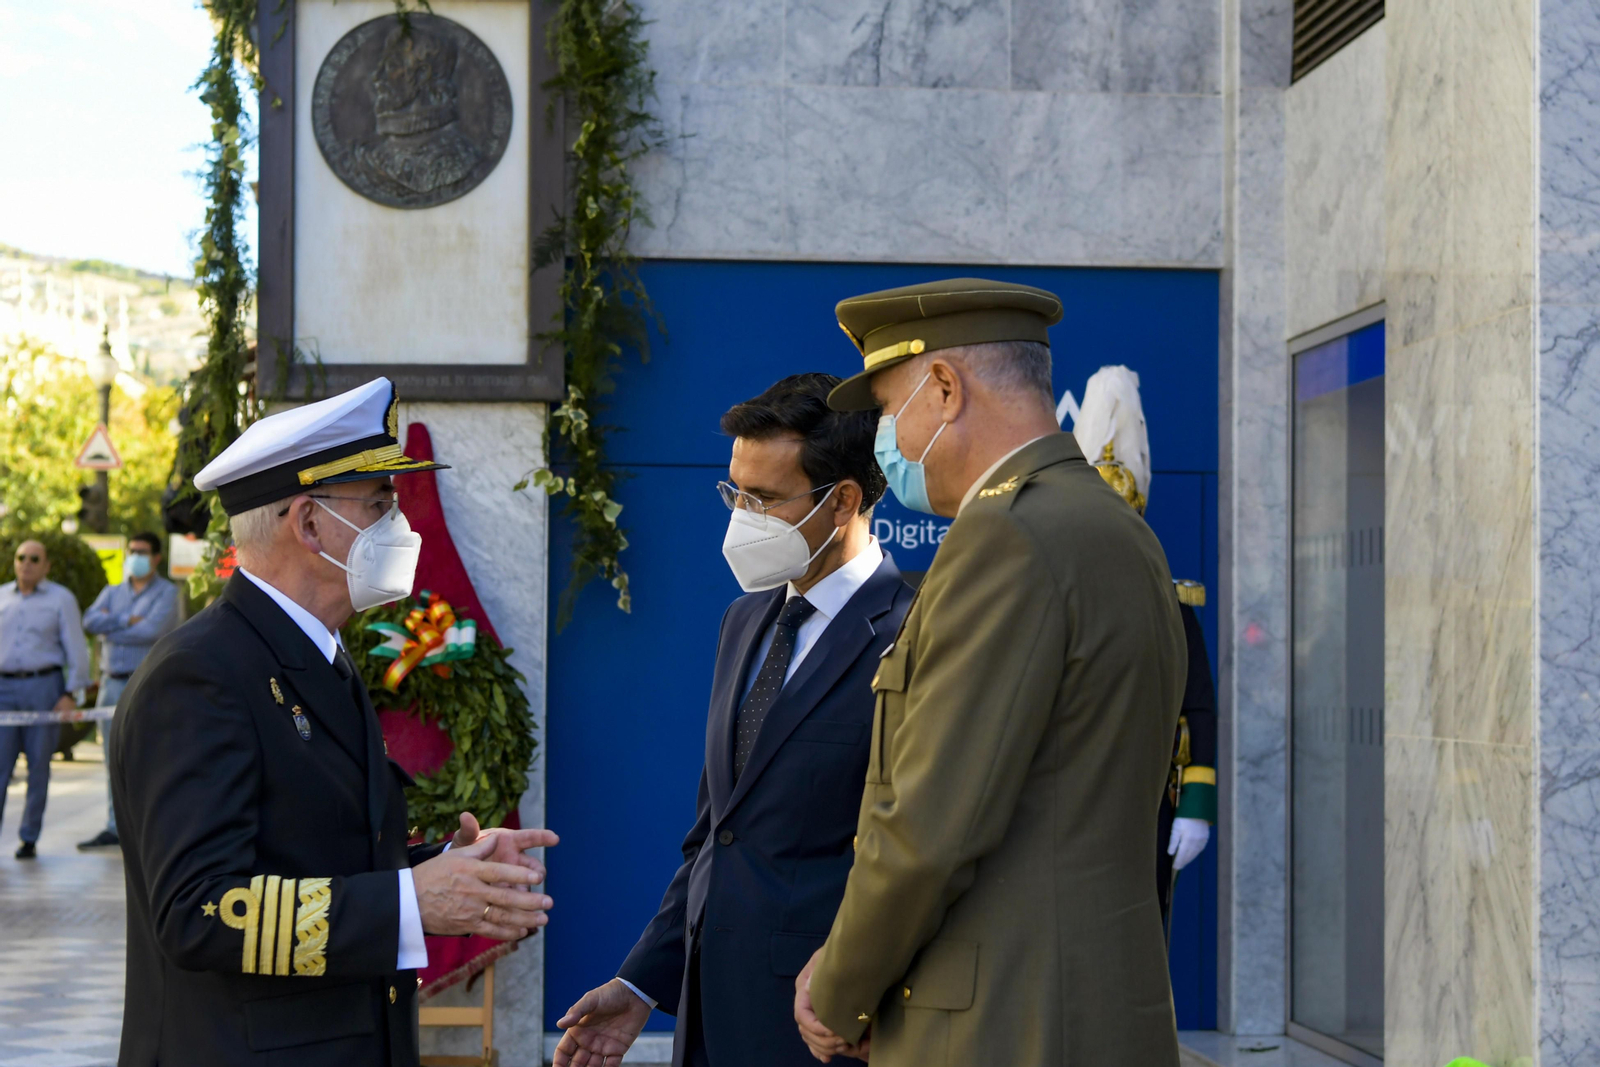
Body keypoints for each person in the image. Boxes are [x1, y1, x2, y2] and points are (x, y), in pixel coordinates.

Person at [793, 279, 1188, 1066]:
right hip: (1094, 1010)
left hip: (1002, 1023)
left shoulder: (1004, 536)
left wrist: (838, 988)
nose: (887, 445)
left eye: (888, 411)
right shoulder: (1117, 530)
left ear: (943, 388)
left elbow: (931, 828)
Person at [110, 378, 559, 1067]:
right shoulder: (200, 674)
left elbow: (313, 852)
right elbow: (198, 910)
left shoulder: (321, 655)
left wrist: (444, 869)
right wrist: (409, 903)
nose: (398, 526)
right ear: (309, 523)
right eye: (379, 506)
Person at [554, 374, 915, 1067]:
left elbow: (909, 852)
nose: (740, 518)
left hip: (825, 1031)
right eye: (734, 493)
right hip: (706, 1019)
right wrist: (639, 983)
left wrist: (848, 993)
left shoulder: (915, 632)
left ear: (842, 501)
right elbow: (719, 835)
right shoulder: (745, 619)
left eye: (764, 499)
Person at [1071, 365, 1217, 935]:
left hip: (1147, 800)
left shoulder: (1171, 602)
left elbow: (1197, 704)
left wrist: (1196, 806)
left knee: (1140, 936)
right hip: (1066, 801)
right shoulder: (1055, 592)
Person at [78, 530, 179, 851]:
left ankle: (150, 827)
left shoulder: (167, 593)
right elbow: (90, 622)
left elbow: (152, 629)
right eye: (132, 550)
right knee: (113, 757)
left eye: (142, 551)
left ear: (156, 557)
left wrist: (113, 625)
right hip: (111, 683)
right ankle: (115, 826)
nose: (135, 556)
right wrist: (128, 620)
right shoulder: (112, 591)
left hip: (147, 684)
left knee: (149, 755)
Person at [0, 538, 92, 860]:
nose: (26, 563)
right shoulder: (1, 598)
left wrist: (71, 694)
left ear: (46, 565)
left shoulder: (60, 599)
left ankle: (28, 838)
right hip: (4, 690)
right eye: (21, 557)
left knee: (39, 765)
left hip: (44, 687)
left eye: (34, 558)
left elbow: (77, 650)